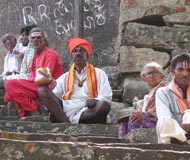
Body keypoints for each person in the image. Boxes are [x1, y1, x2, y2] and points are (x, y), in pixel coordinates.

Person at [38, 37, 113, 124]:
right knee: (42, 90)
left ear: (87, 54)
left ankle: (61, 119)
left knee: (104, 106)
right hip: (67, 107)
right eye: (75, 51)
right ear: (71, 55)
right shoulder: (64, 77)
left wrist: (95, 101)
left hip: (88, 109)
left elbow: (106, 96)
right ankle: (66, 122)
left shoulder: (99, 73)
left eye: (81, 50)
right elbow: (55, 97)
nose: (78, 53)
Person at [4, 27, 63, 118]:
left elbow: (45, 78)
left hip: (48, 87)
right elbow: (32, 76)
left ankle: (32, 111)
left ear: (44, 40)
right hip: (36, 85)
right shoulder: (35, 55)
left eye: (39, 37)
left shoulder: (50, 53)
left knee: (9, 85)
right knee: (8, 94)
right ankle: (32, 109)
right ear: (30, 41)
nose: (36, 40)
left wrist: (24, 84)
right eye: (33, 38)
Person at [117, 62, 168, 139]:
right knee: (123, 123)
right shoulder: (148, 95)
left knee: (136, 121)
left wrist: (145, 114)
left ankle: (135, 144)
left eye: (154, 73)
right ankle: (122, 145)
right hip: (151, 119)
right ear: (144, 78)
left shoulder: (166, 88)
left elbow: (164, 108)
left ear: (161, 75)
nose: (151, 76)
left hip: (164, 121)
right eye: (148, 74)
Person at [156, 53, 190, 144]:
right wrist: (186, 127)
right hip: (172, 136)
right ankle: (182, 137)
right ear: (172, 71)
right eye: (180, 69)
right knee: (163, 123)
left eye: (189, 70)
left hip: (176, 134)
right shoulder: (163, 92)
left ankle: (181, 137)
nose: (185, 74)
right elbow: (165, 119)